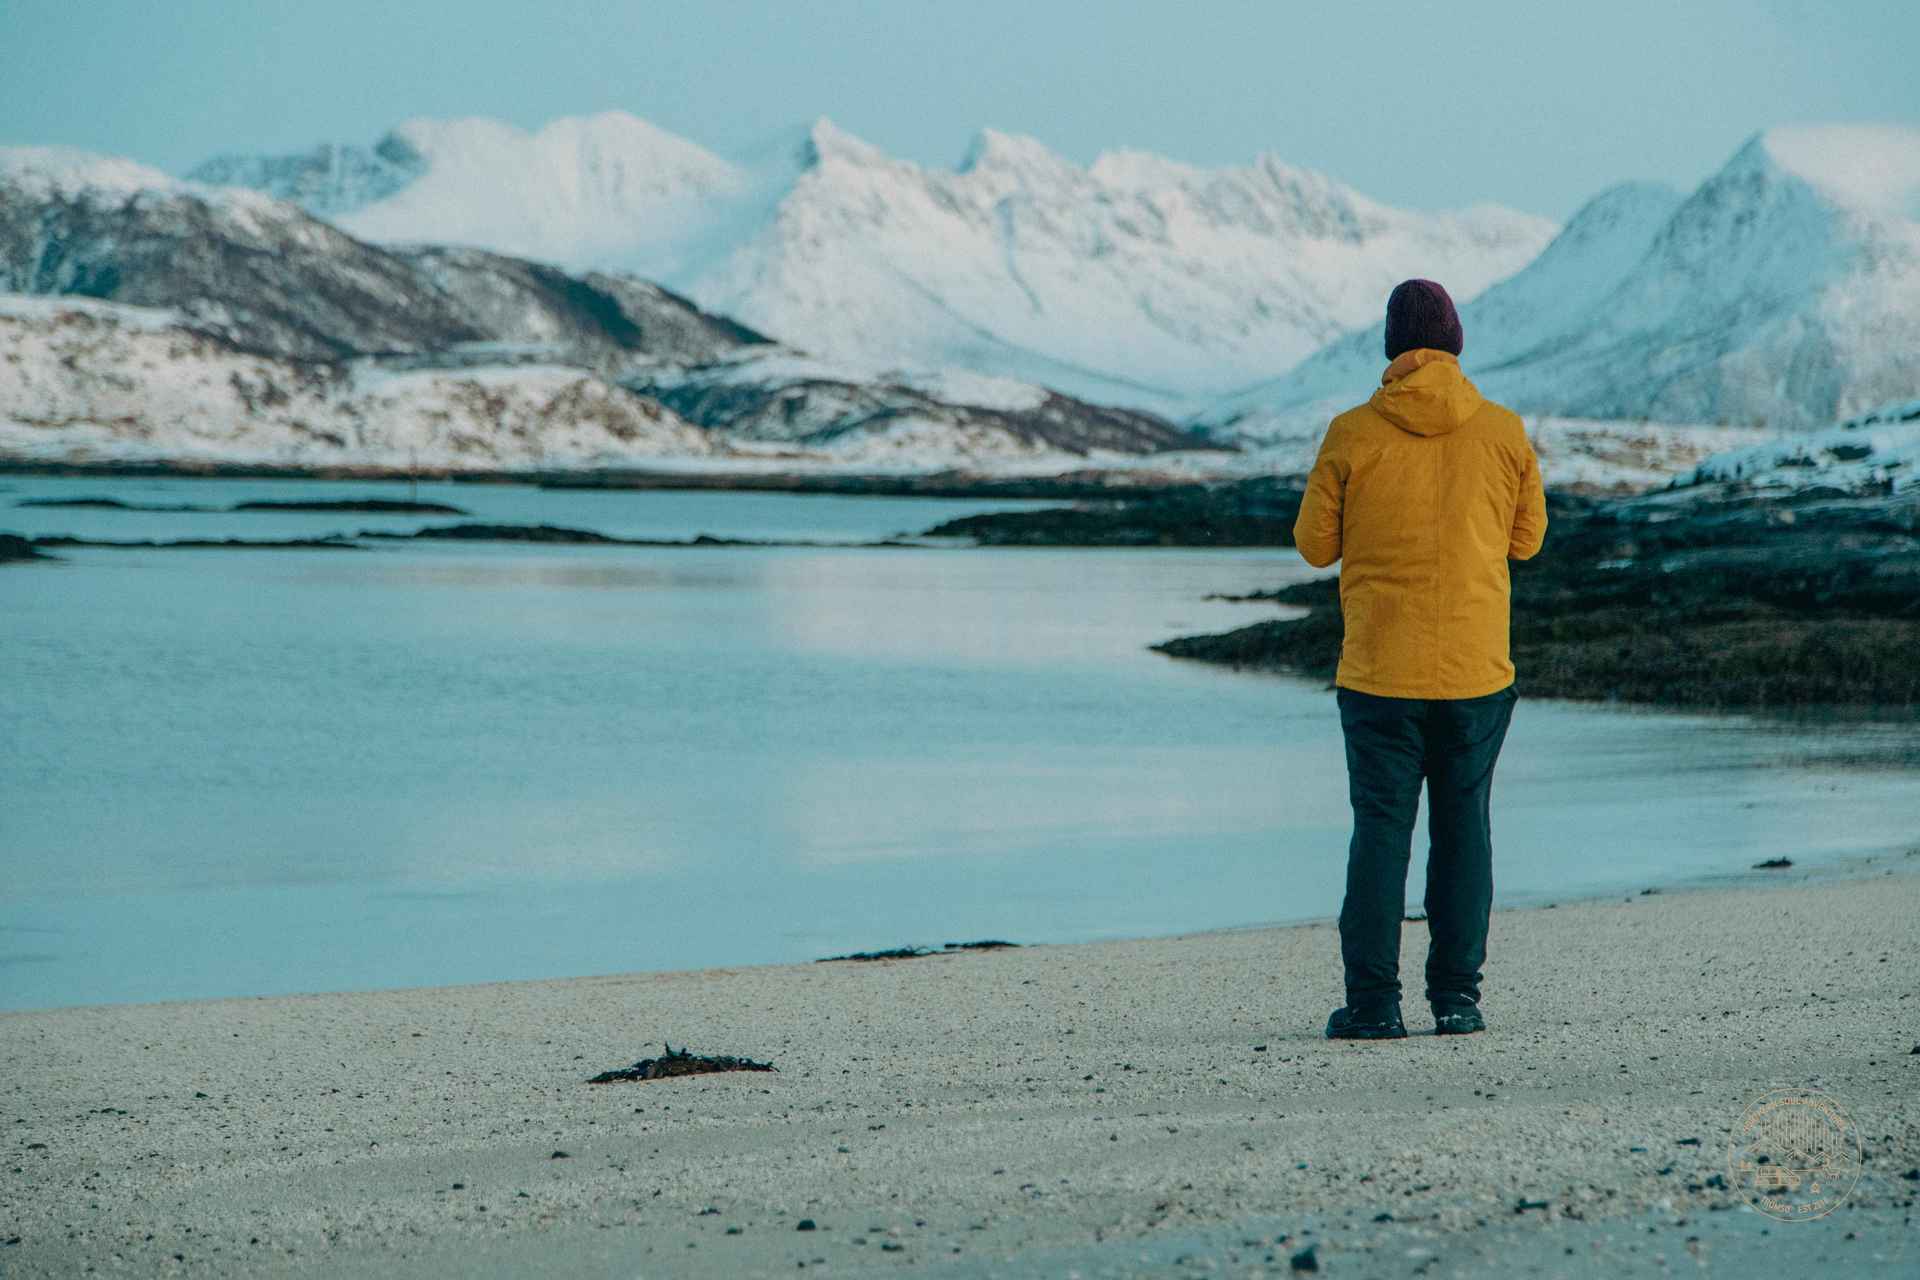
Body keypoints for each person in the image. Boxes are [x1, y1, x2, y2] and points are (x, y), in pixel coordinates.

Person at [1292, 278, 1547, 1040]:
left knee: (1380, 832)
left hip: (1379, 674)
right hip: (1476, 672)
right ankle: (1457, 999)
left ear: (1391, 346)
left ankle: (1374, 1005)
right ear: (1456, 343)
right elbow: (1528, 541)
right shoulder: (1503, 431)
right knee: (1464, 830)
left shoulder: (1350, 433)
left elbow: (1314, 546)